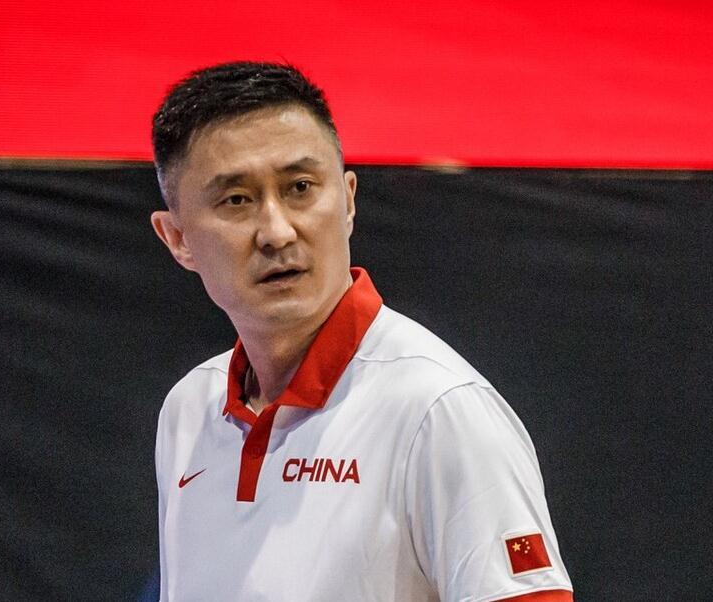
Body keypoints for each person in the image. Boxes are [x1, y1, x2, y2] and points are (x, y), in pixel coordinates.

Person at [149, 61, 573, 601]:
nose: (277, 231)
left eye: (300, 188)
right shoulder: (188, 410)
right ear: (177, 238)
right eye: (237, 200)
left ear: (348, 200)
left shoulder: (437, 409)